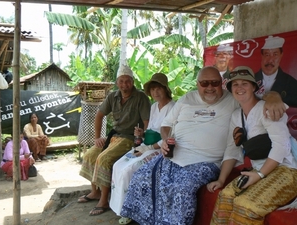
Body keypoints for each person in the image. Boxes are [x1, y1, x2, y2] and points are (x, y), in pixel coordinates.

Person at [120, 66, 286, 225]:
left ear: (221, 84)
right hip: (175, 155)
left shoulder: (232, 100)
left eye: (215, 83)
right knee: (141, 175)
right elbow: (166, 125)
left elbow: (254, 97)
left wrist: (274, 96)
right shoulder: (187, 98)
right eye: (204, 83)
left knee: (180, 189)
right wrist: (165, 140)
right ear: (197, 84)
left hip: (205, 162)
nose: (210, 87)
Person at [208, 66, 297, 225]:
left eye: (245, 84)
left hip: (285, 171)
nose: (239, 88)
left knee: (246, 205)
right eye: (235, 85)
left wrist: (260, 175)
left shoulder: (268, 108)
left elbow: (281, 147)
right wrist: (221, 180)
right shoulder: (237, 115)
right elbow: (232, 148)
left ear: (254, 87)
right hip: (258, 171)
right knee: (225, 196)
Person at [77, 64, 151, 216]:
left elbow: (147, 121)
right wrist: (97, 138)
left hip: (130, 138)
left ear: (133, 81)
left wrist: (143, 136)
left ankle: (104, 201)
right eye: (121, 81)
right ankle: (95, 192)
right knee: (90, 155)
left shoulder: (141, 97)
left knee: (103, 159)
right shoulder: (113, 96)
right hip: (114, 137)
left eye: (128, 81)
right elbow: (99, 115)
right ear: (117, 82)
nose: (125, 84)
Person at [110, 73, 175, 225]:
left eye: (159, 88)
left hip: (159, 149)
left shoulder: (174, 107)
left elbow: (170, 135)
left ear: (165, 89)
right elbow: (151, 129)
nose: (155, 92)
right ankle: (118, 207)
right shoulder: (153, 107)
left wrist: (149, 147)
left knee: (129, 170)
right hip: (147, 145)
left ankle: (129, 211)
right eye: (152, 89)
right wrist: (142, 134)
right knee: (118, 165)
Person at [255, 35, 297, 107]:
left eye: (275, 54)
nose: (270, 60)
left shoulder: (291, 83)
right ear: (261, 56)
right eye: (267, 54)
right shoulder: (251, 80)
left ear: (281, 55)